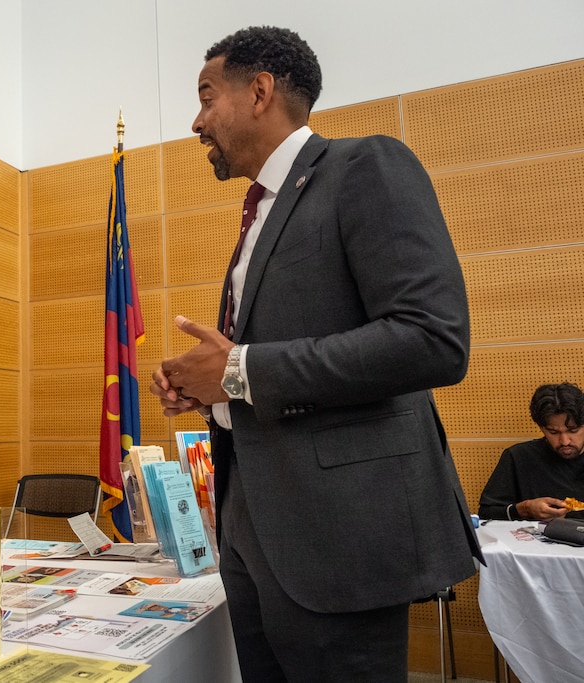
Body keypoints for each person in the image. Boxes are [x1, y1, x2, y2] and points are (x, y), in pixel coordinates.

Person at [150, 26, 482, 681]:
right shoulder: (259, 218)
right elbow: (265, 368)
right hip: (250, 529)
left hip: (339, 538)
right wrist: (210, 390)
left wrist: (241, 370)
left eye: (207, 96)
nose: (195, 121)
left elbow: (434, 337)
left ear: (261, 92)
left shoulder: (366, 166)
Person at [479, 383, 584, 521]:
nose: (564, 441)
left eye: (573, 430)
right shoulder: (519, 457)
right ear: (541, 428)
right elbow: (486, 513)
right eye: (553, 432)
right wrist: (524, 509)